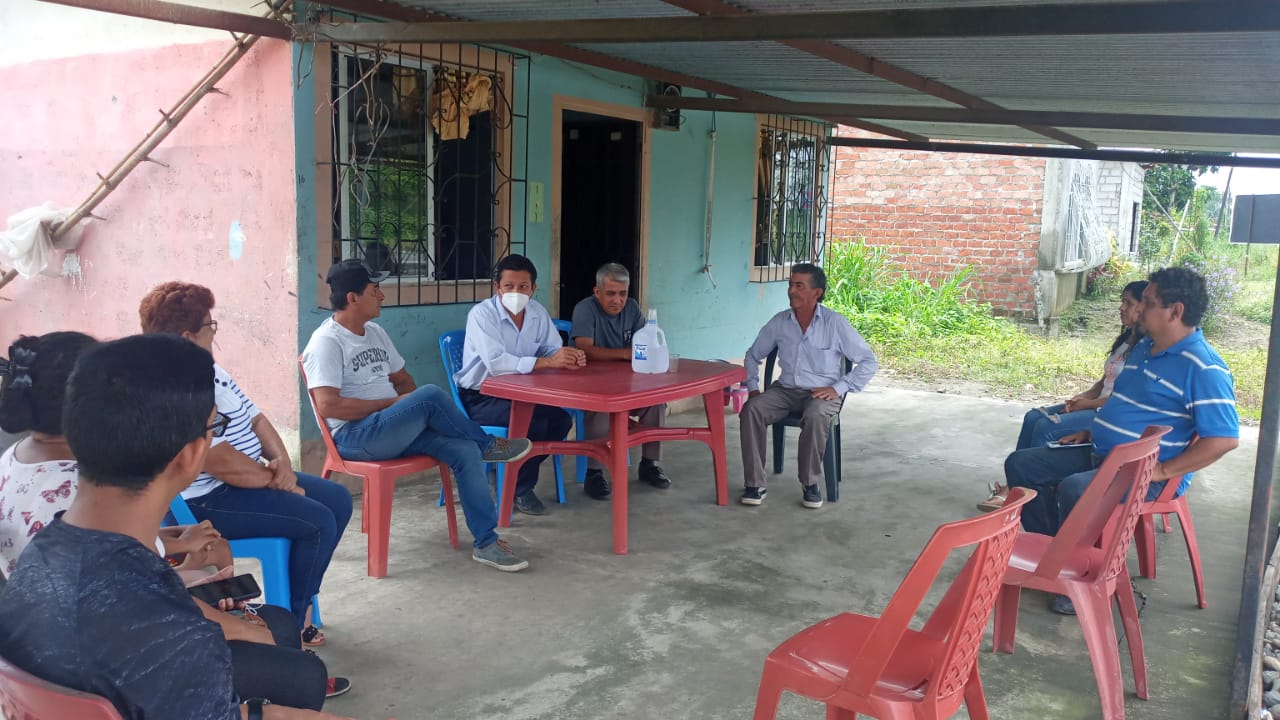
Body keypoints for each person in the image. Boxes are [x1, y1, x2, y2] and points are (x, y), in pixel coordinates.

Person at [0, 334, 353, 720]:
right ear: (191, 454)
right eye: (215, 425)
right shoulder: (176, 638)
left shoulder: (43, 549)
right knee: (304, 674)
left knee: (280, 629)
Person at [1003, 267, 1239, 612]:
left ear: (1175, 311)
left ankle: (1076, 578)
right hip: (1103, 452)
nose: (1140, 309)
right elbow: (1125, 402)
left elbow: (1223, 440)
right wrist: (1093, 430)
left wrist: (1161, 471)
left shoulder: (1203, 368)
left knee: (1075, 489)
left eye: (1149, 302)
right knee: (1022, 465)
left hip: (1144, 472)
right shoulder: (1144, 348)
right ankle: (1058, 558)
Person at [139, 281, 353, 640]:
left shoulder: (210, 370)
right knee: (317, 521)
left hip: (252, 478)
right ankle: (291, 625)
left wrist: (282, 464)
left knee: (338, 499)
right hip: (207, 500)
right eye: (210, 326)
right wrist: (278, 481)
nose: (214, 332)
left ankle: (298, 601)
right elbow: (220, 462)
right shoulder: (175, 389)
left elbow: (257, 419)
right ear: (188, 337)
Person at [301, 258, 531, 572]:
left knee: (464, 450)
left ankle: (487, 542)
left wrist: (404, 410)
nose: (382, 296)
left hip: (391, 428)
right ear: (353, 298)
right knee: (431, 395)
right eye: (375, 290)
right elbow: (328, 406)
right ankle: (488, 445)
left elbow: (404, 380)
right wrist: (390, 404)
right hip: (356, 437)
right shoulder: (327, 342)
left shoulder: (375, 332)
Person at [978, 280, 1149, 512]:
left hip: (1104, 412)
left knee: (1045, 428)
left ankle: (1023, 495)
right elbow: (1103, 383)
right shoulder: (1126, 341)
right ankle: (1016, 485)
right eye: (1122, 302)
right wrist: (1080, 398)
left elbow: (1123, 398)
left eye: (1128, 303)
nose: (1122, 307)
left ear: (1144, 307)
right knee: (1032, 417)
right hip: (1094, 404)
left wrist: (1087, 404)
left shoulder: (1146, 349)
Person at [739, 263, 879, 509]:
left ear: (817, 293)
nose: (792, 290)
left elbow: (869, 361)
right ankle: (754, 484)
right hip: (785, 390)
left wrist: (839, 388)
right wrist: (752, 388)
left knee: (815, 414)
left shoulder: (835, 323)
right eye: (790, 284)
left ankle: (810, 483)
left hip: (821, 393)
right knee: (752, 410)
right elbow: (753, 355)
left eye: (799, 286)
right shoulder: (780, 322)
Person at [455, 254, 581, 515]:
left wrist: (567, 356)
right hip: (481, 396)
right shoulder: (482, 315)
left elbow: (552, 347)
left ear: (533, 288)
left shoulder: (537, 313)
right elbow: (496, 363)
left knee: (560, 421)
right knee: (534, 424)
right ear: (497, 287)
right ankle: (519, 488)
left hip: (524, 394)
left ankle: (511, 474)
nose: (516, 292)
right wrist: (548, 362)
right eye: (509, 286)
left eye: (523, 286)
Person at [569, 262, 671, 499]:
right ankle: (594, 474)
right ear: (597, 292)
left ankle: (649, 464)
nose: (618, 300)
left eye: (622, 293)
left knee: (655, 403)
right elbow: (585, 349)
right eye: (611, 293)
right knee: (600, 410)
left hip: (628, 383)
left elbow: (646, 341)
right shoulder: (585, 309)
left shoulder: (632, 308)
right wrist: (626, 354)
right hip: (593, 384)